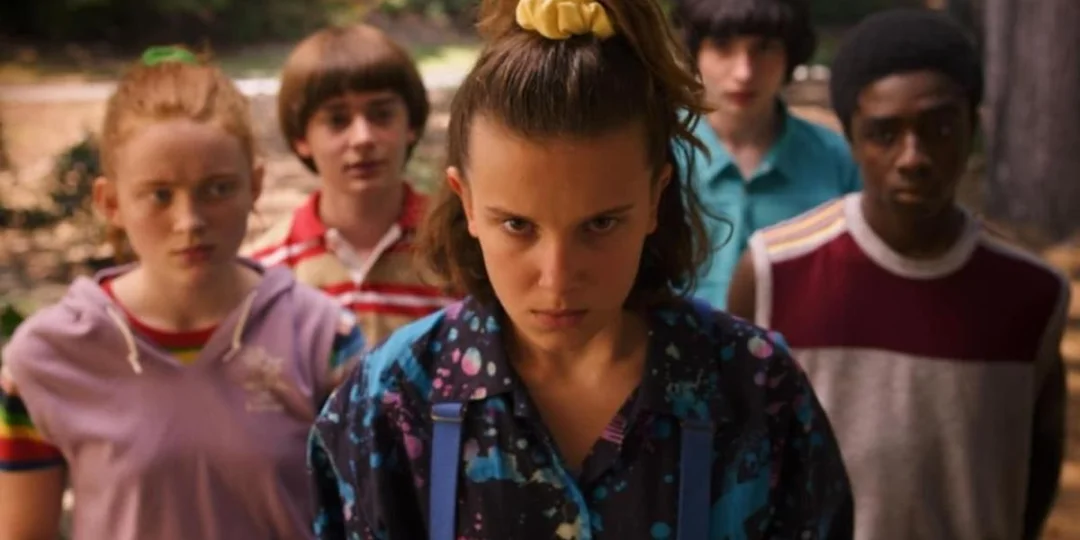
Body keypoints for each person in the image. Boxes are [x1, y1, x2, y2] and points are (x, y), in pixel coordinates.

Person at [309, 0, 853, 538]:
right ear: (466, 201)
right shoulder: (391, 404)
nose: (558, 277)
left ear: (655, 196)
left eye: (600, 224)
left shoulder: (757, 394)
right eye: (518, 225)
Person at [726, 9, 1067, 540]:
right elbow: (737, 453)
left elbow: (1038, 460)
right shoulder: (775, 271)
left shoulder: (1034, 293)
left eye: (939, 128)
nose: (913, 157)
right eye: (884, 133)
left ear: (973, 129)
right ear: (852, 138)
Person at [0, 46, 364, 540]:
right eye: (160, 195)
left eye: (217, 189)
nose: (189, 221)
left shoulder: (324, 340)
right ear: (110, 202)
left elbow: (365, 519)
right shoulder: (45, 358)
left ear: (254, 186)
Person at [246, 24, 457, 347]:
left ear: (411, 124)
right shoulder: (268, 270)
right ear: (302, 137)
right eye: (337, 120)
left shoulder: (457, 248)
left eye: (381, 115)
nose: (362, 138)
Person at [671, 0, 861, 308]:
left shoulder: (840, 160)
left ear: (791, 54)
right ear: (694, 52)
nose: (744, 72)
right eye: (722, 46)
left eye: (764, 48)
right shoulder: (658, 152)